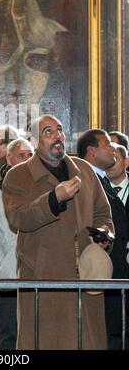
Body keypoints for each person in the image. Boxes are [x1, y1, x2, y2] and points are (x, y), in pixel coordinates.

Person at [2, 115, 113, 350]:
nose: (56, 137)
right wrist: (54, 199)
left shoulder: (84, 170)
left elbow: (103, 212)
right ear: (33, 141)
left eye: (60, 131)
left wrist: (104, 232)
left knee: (87, 340)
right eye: (48, 132)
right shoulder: (18, 176)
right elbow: (19, 218)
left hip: (86, 274)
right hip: (44, 279)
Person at [77, 129, 129, 349]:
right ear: (92, 151)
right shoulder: (86, 180)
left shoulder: (100, 180)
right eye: (107, 144)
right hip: (101, 277)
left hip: (114, 277)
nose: (112, 150)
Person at [0, 138, 33, 349]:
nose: (27, 161)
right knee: (7, 334)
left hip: (34, 271)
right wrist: (2, 261)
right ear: (9, 159)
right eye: (22, 156)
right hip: (6, 275)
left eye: (31, 156)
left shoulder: (40, 186)